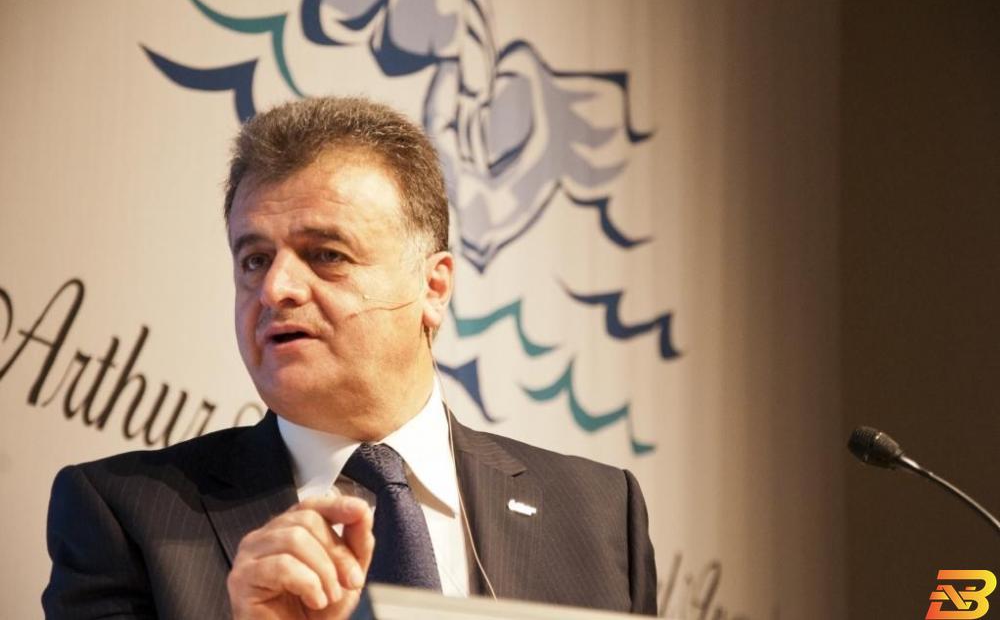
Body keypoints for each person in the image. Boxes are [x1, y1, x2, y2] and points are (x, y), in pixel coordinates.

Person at [42, 96, 657, 619]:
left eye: (326, 254)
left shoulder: (600, 510)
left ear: (433, 287)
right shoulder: (122, 516)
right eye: (254, 259)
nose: (276, 288)